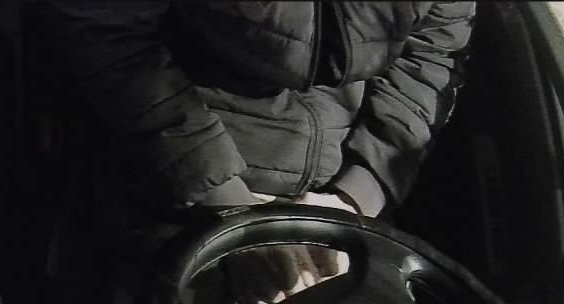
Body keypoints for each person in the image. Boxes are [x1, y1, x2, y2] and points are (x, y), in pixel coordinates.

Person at [47, 1, 475, 220]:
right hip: (179, 173)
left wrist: (356, 197)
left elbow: (432, 53)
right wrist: (227, 207)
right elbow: (110, 38)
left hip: (342, 193)